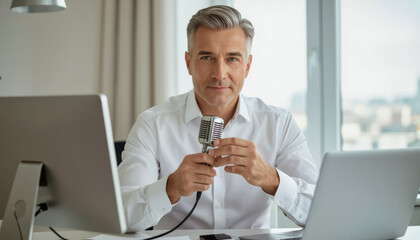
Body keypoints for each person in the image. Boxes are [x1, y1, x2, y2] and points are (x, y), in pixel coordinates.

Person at [118, 5, 318, 232]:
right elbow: (122, 218)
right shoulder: (152, 125)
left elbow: (323, 211)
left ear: (247, 66)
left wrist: (272, 179)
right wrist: (170, 188)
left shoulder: (279, 124)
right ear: (188, 63)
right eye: (206, 57)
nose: (220, 73)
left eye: (232, 59)